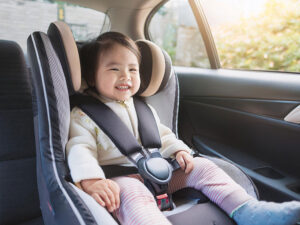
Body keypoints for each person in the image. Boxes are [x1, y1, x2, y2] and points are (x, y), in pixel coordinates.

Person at [66, 31, 300, 225]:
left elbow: (161, 136)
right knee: (133, 196)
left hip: (159, 172)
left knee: (203, 167)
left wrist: (179, 151)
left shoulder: (142, 107)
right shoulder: (83, 115)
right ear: (91, 76)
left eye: (133, 69)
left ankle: (250, 211)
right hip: (121, 179)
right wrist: (92, 181)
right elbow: (79, 149)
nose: (125, 76)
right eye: (114, 69)